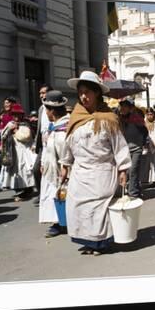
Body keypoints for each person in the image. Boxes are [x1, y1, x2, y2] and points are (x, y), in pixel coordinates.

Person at [59, 71, 131, 256]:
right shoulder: (75, 117)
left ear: (97, 93)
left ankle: (100, 243)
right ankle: (87, 241)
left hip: (102, 171)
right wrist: (65, 164)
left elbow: (119, 145)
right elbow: (69, 143)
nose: (84, 96)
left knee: (98, 208)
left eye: (88, 92)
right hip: (80, 173)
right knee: (79, 207)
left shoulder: (108, 118)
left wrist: (123, 168)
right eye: (81, 92)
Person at [38, 90, 70, 238]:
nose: (46, 113)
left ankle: (60, 223)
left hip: (59, 173)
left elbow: (65, 154)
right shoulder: (55, 126)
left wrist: (64, 170)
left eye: (47, 110)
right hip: (51, 170)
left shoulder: (62, 130)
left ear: (52, 111)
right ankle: (58, 222)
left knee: (60, 197)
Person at [0, 103, 36, 201]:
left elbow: (26, 137)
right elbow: (3, 135)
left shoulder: (25, 124)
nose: (16, 117)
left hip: (25, 150)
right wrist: (8, 131)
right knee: (16, 170)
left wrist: (15, 132)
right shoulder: (10, 124)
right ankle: (22, 189)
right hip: (13, 151)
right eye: (14, 114)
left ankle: (28, 189)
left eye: (18, 114)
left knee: (25, 169)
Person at [119, 98, 148, 198]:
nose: (122, 109)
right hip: (124, 149)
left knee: (133, 170)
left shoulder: (136, 118)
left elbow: (145, 132)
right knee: (126, 171)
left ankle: (133, 193)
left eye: (124, 107)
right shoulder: (119, 119)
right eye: (121, 106)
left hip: (136, 149)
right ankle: (135, 189)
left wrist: (143, 143)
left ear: (130, 108)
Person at [31, 84, 52, 204]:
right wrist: (36, 143)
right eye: (40, 93)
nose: (41, 95)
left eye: (44, 93)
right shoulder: (41, 109)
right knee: (36, 169)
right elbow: (39, 128)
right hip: (42, 146)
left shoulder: (55, 106)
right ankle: (40, 193)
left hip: (53, 142)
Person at [0, 96, 17, 190]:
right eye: (5, 103)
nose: (5, 105)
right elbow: (2, 130)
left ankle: (2, 184)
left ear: (12, 103)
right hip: (6, 142)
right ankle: (1, 184)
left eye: (7, 103)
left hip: (15, 142)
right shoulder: (5, 115)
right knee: (5, 164)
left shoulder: (15, 113)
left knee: (12, 164)